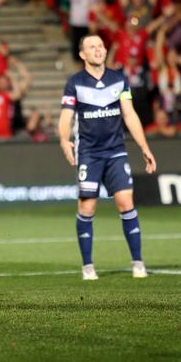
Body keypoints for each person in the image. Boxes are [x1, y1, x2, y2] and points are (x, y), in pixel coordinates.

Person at [58, 34, 157, 281]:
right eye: (92, 47)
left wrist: (144, 146)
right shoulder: (75, 83)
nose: (98, 50)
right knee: (87, 207)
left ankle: (138, 262)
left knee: (126, 203)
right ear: (82, 54)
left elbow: (130, 115)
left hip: (116, 152)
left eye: (100, 46)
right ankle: (88, 266)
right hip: (89, 154)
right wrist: (63, 140)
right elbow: (66, 116)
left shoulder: (119, 80)